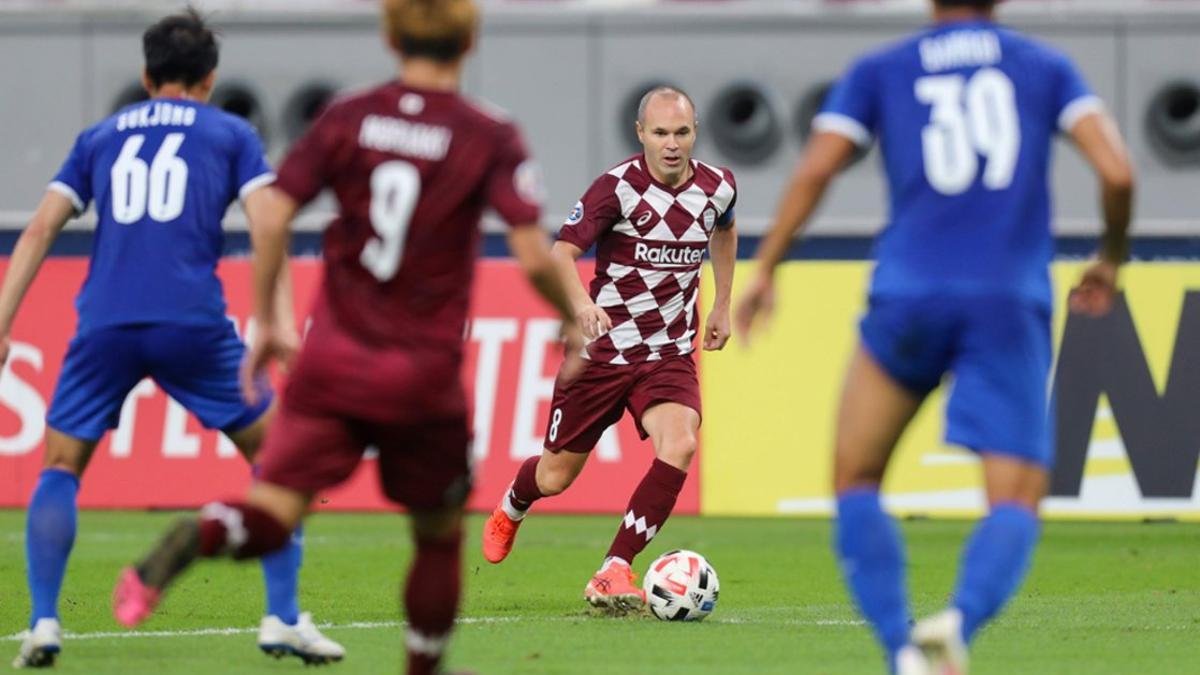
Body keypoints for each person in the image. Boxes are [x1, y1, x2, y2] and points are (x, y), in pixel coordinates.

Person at [111, 1, 582, 673]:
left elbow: (271, 210)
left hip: (331, 359)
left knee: (272, 509)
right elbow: (535, 255)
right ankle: (424, 666)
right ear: (471, 38)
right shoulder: (490, 132)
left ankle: (206, 528)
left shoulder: (350, 114)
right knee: (438, 531)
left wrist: (271, 319)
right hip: (422, 375)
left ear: (389, 36)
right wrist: (571, 316)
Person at [735, 1, 1134, 673]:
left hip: (910, 294)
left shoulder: (883, 68)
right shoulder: (1044, 66)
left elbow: (814, 169)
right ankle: (959, 621)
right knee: (1013, 499)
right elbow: (1119, 171)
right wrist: (1112, 257)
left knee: (856, 477)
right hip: (1008, 301)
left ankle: (899, 648)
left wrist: (768, 265)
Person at [1, 10, 344, 668]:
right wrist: (272, 319)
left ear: (145, 74)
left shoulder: (98, 137)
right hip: (192, 322)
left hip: (103, 324)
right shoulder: (230, 132)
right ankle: (282, 616)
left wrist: (1, 323)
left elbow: (40, 229)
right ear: (210, 79)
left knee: (60, 467)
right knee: (283, 461)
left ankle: (43, 623)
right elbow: (269, 223)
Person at [481, 86, 739, 612]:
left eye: (682, 133)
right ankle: (514, 503)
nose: (672, 144)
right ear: (641, 133)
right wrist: (579, 305)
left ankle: (614, 568)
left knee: (681, 441)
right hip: (603, 354)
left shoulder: (718, 188)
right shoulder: (617, 189)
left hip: (667, 353)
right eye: (661, 133)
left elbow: (726, 232)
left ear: (695, 133)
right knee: (555, 476)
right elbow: (560, 252)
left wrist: (722, 304)